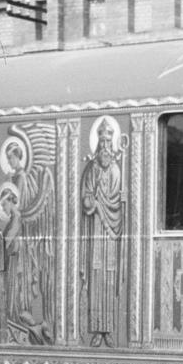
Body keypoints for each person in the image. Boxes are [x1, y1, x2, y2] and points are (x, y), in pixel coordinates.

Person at [80, 118, 124, 347]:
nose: (105, 146)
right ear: (97, 143)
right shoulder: (91, 168)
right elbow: (85, 197)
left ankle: (109, 330)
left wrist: (107, 203)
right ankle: (96, 330)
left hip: (110, 234)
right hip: (95, 231)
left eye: (109, 141)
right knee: (96, 280)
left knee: (108, 279)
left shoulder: (116, 168)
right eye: (102, 141)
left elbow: (116, 200)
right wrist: (92, 200)